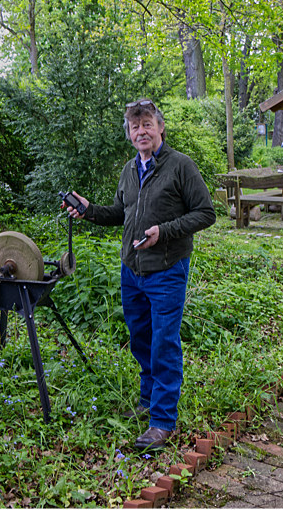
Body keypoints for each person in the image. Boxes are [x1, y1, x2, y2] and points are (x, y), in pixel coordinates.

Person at [64, 98, 216, 450]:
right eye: (135, 127)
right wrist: (88, 210)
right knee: (141, 339)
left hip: (167, 269)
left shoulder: (181, 166)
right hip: (132, 271)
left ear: (160, 127)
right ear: (130, 134)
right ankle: (148, 399)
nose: (141, 131)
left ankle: (162, 422)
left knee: (164, 343)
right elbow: (121, 212)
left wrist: (165, 231)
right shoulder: (129, 170)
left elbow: (205, 213)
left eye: (147, 124)